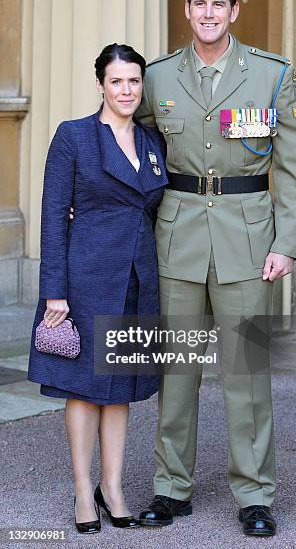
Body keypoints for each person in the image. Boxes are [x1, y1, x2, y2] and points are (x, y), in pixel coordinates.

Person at [136, 0, 296, 536]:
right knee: (177, 372)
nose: (209, 13)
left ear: (235, 11)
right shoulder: (158, 78)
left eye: (220, 4)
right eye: (200, 4)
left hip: (248, 241)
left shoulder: (272, 74)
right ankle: (171, 488)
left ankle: (255, 495)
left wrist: (287, 244)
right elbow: (130, 142)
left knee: (247, 373)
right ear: (186, 11)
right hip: (179, 237)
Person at [27, 43, 168, 534]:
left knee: (120, 390)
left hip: (136, 279)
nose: (126, 90)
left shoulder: (152, 142)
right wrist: (55, 293)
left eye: (134, 81)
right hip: (85, 279)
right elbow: (52, 217)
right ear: (101, 85)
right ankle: (84, 489)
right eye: (117, 81)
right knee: (85, 387)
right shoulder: (75, 137)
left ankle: (113, 487)